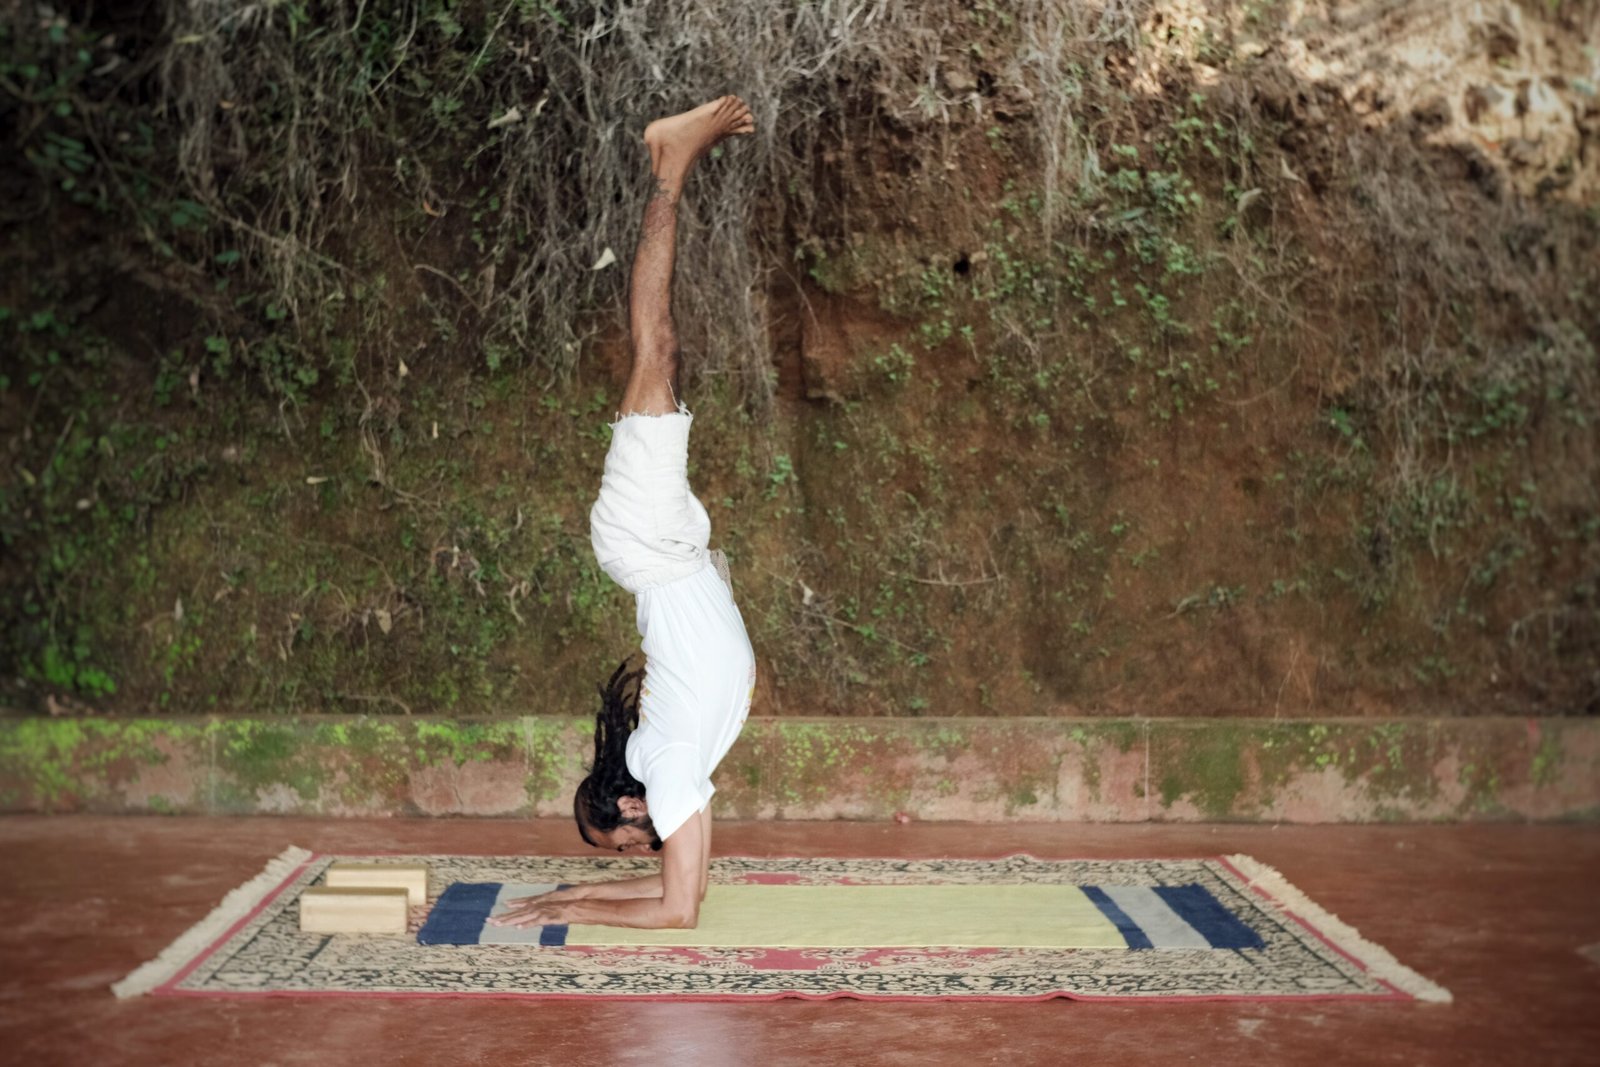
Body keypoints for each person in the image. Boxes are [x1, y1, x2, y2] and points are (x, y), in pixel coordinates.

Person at [490, 96, 758, 932]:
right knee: (663, 351)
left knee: (657, 349)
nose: (635, 853)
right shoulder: (678, 773)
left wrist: (576, 903)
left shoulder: (667, 771)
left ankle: (670, 163)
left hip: (650, 538)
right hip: (668, 542)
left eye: (620, 844)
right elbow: (692, 897)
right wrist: (574, 897)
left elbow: (673, 911)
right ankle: (672, 164)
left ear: (629, 806)